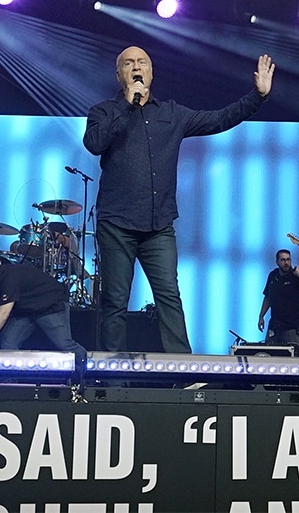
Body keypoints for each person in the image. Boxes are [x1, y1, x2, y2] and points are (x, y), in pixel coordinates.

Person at [83, 46, 275, 353]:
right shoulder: (104, 111)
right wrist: (128, 107)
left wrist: (258, 96)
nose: (136, 67)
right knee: (115, 301)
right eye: (129, 63)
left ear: (151, 72)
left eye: (142, 62)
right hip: (117, 223)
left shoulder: (171, 113)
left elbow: (220, 119)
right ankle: (110, 374)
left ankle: (183, 370)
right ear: (119, 75)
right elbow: (94, 143)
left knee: (169, 296)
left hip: (158, 225)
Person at [0, 260, 87, 367]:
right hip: (25, 311)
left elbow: (4, 313)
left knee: (64, 344)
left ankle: (85, 375)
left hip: (49, 305)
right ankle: (10, 385)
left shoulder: (8, 276)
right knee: (8, 343)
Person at [257, 249, 299, 345]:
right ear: (277, 262)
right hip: (275, 324)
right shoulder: (273, 276)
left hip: (292, 326)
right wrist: (261, 316)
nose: (286, 263)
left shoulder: (296, 276)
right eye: (283, 260)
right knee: (270, 353)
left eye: (288, 260)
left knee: (291, 354)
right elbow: (268, 297)